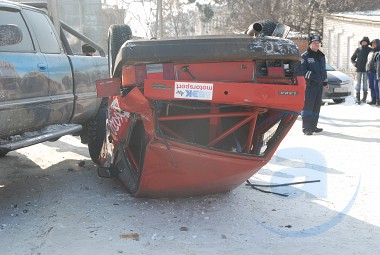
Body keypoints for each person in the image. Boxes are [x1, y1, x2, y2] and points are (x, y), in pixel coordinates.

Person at [300, 35, 328, 136]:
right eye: (314, 43)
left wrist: (324, 82)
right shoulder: (305, 56)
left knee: (316, 107)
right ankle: (306, 128)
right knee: (308, 106)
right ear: (310, 44)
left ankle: (313, 126)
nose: (317, 44)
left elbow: (323, 70)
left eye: (318, 43)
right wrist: (314, 77)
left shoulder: (321, 55)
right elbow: (303, 71)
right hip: (310, 85)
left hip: (319, 85)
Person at [351, 36, 371, 104]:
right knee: (358, 84)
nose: (363, 42)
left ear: (367, 43)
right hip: (359, 69)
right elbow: (352, 58)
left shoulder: (370, 50)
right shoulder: (358, 49)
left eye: (365, 42)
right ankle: (357, 98)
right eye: (362, 41)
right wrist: (355, 64)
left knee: (365, 84)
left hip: (366, 70)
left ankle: (364, 98)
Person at [366, 39, 380, 105]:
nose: (373, 45)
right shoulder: (370, 52)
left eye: (375, 44)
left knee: (376, 86)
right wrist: (367, 69)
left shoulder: (379, 52)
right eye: (372, 44)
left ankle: (378, 100)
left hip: (376, 72)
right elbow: (368, 62)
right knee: (371, 86)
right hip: (370, 72)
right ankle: (373, 99)